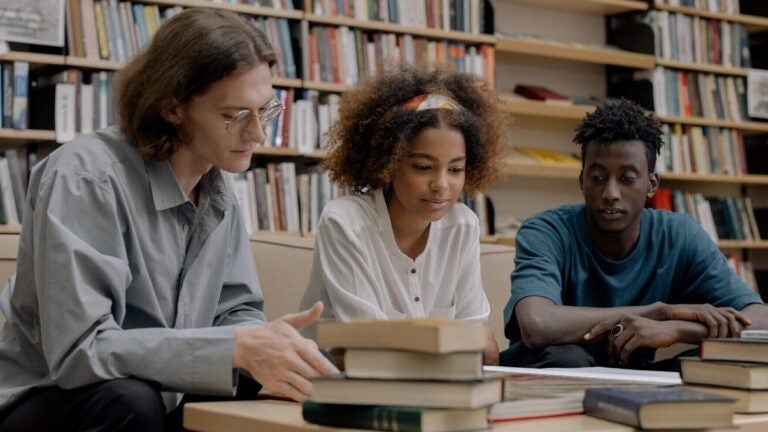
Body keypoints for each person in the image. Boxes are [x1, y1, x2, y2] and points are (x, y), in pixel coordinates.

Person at [0, 9, 337, 432]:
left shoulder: (218, 190)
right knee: (130, 400)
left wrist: (265, 345)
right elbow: (80, 351)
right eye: (235, 115)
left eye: (265, 110)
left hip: (160, 389)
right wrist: (232, 347)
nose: (258, 135)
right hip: (49, 396)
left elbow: (235, 310)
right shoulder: (86, 177)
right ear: (172, 107)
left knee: (275, 390)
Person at [501, 99, 768, 370]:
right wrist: (659, 312)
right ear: (582, 181)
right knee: (567, 357)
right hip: (550, 375)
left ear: (651, 185)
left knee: (716, 363)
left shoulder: (680, 236)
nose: (610, 193)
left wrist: (677, 329)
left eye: (627, 178)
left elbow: (759, 319)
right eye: (597, 177)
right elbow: (538, 324)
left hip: (633, 379)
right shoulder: (547, 231)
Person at [300, 65, 506, 365]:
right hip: (335, 389)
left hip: (436, 388)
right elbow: (365, 348)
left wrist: (465, 342)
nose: (441, 185)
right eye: (423, 167)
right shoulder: (345, 222)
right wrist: (454, 342)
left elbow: (481, 346)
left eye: (455, 169)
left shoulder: (464, 226)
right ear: (390, 162)